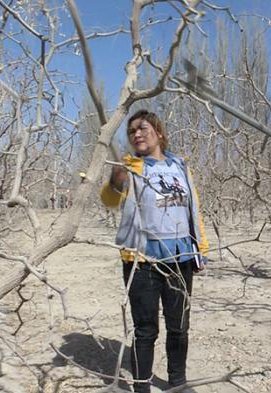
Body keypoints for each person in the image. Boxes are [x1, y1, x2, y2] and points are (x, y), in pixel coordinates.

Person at [100, 109, 210, 393]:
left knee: (179, 326)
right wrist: (115, 180)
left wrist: (201, 249)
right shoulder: (130, 166)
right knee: (146, 329)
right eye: (131, 130)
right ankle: (141, 386)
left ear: (159, 133)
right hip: (142, 259)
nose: (136, 134)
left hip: (179, 257)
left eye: (142, 128)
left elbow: (193, 210)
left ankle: (177, 382)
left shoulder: (181, 167)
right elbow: (110, 201)